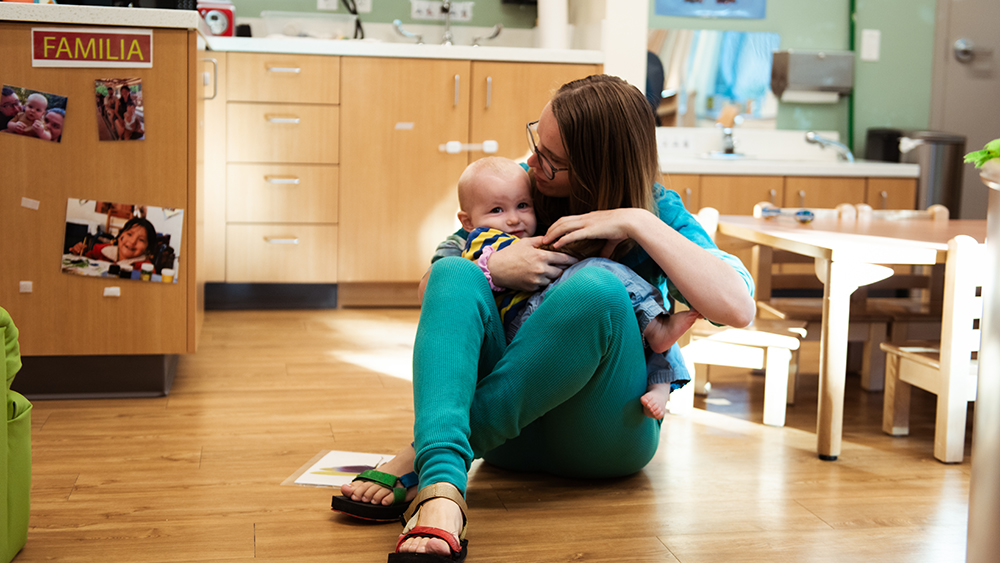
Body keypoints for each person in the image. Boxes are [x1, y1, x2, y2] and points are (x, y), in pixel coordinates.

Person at [344, 75, 756, 561]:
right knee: (455, 271)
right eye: (537, 141)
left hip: (604, 441)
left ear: (591, 169)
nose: (534, 161)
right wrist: (496, 265)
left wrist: (636, 221)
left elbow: (738, 307)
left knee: (596, 287)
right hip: (505, 444)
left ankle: (426, 456)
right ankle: (442, 488)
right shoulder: (518, 188)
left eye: (552, 160)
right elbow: (434, 289)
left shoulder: (658, 210)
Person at [455, 155, 700, 419]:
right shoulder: (482, 239)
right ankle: (658, 336)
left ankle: (660, 385)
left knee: (642, 319)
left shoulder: (530, 233)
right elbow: (464, 277)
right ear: (467, 221)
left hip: (541, 312)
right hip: (519, 323)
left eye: (523, 205)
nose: (514, 219)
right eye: (497, 210)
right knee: (608, 279)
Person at [68, 217, 156, 269]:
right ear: (119, 236)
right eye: (129, 234)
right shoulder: (102, 250)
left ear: (147, 248)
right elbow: (82, 263)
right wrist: (78, 253)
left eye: (141, 240)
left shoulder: (145, 268)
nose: (132, 241)